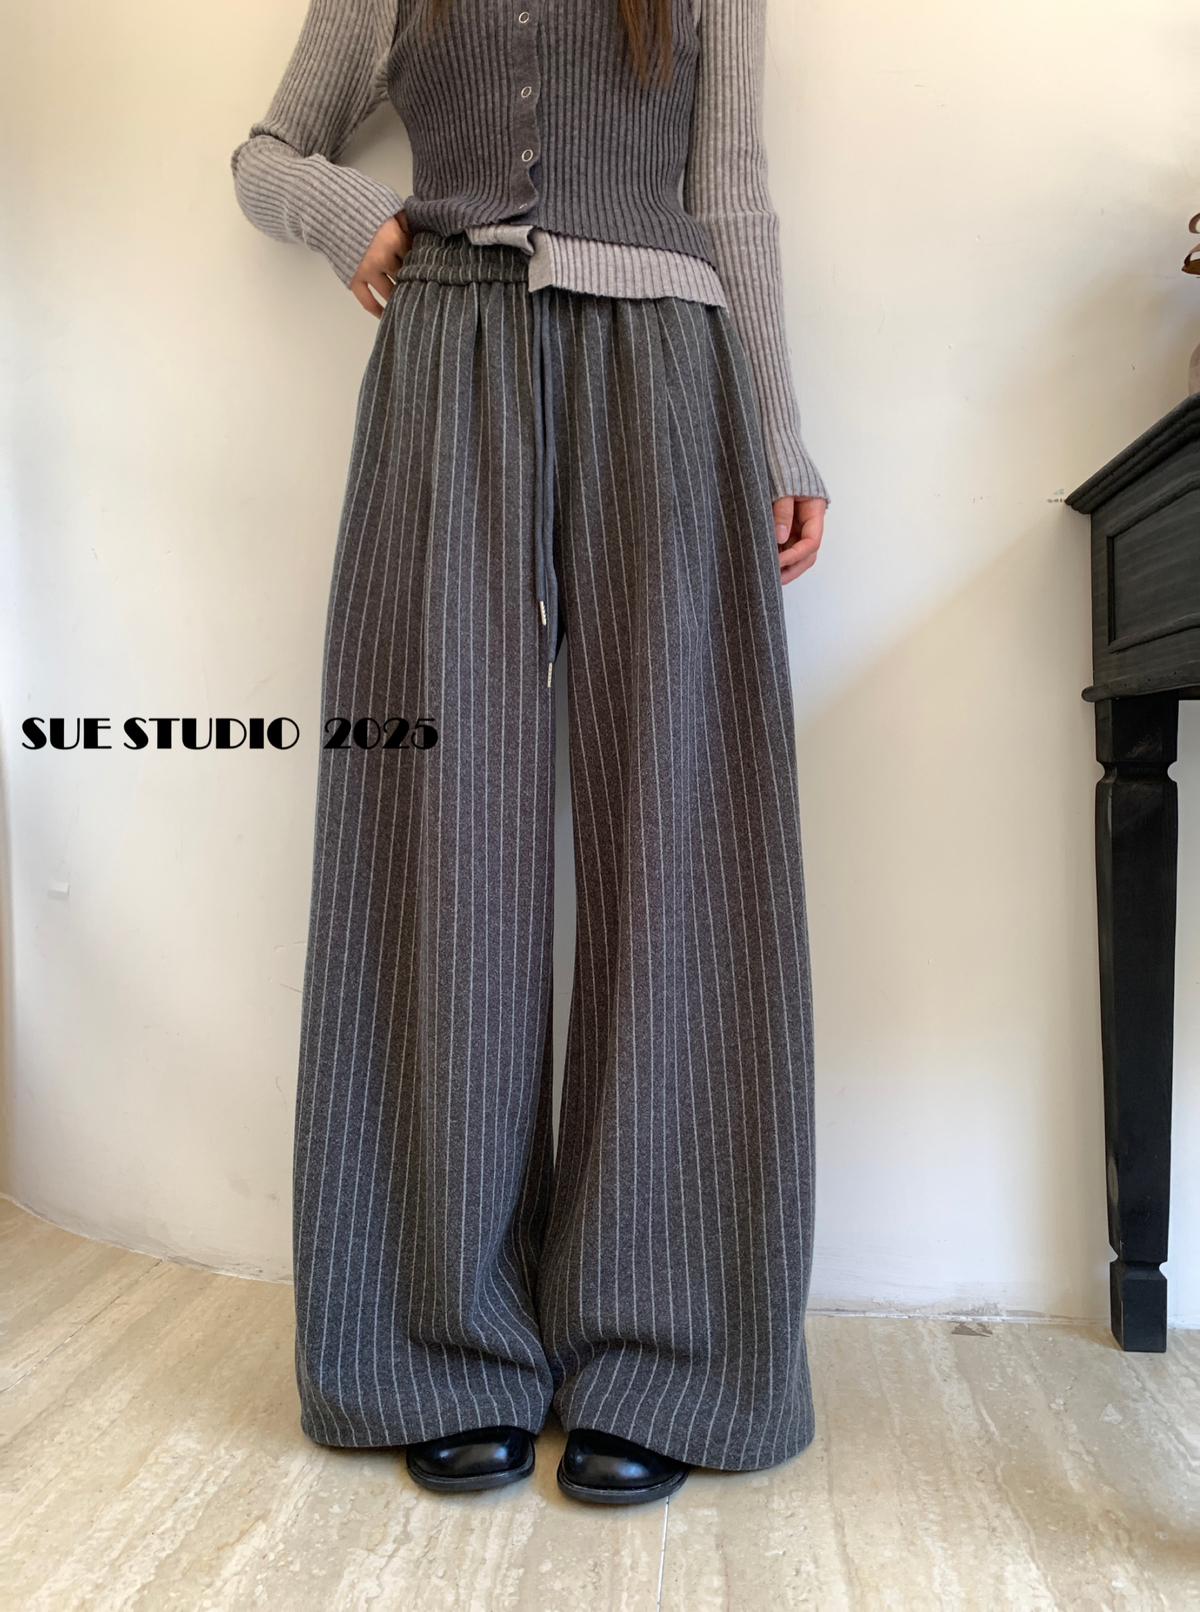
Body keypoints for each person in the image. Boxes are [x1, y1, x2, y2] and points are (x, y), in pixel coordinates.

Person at [230, 0, 829, 1507]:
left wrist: (778, 434)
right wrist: (356, 219)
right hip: (448, 354)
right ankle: (436, 1341)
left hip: (667, 372)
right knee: (435, 825)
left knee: (682, 838)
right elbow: (269, 152)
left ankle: (666, 1347)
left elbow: (731, 187)